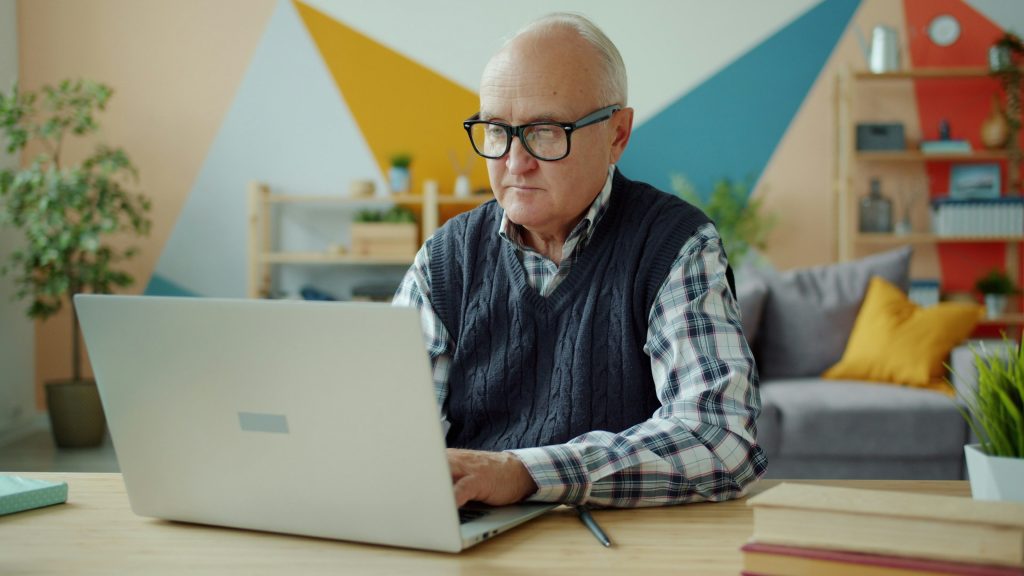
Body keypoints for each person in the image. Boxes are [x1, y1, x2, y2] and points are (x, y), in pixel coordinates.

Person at [393, 12, 766, 508]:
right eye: (496, 130)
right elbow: (387, 433)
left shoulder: (674, 245)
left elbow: (718, 438)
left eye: (545, 131)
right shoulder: (446, 258)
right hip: (472, 538)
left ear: (617, 134)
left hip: (619, 543)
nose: (513, 162)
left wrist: (525, 472)